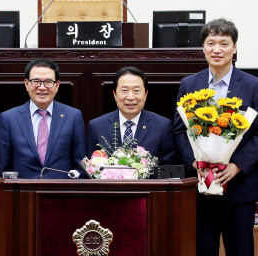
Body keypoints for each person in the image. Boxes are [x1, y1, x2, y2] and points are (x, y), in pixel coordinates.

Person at [173, 18, 258, 256]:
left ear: (235, 47)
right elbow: (180, 130)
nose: (217, 49)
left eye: (224, 43)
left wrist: (238, 166)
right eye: (211, 43)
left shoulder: (253, 85)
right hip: (200, 190)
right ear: (203, 47)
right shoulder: (189, 84)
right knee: (202, 250)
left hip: (239, 190)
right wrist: (194, 162)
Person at [0, 58, 86, 178]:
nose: (42, 87)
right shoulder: (8, 119)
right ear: (27, 84)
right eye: (36, 81)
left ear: (57, 85)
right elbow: (1, 168)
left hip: (61, 192)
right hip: (23, 193)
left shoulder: (73, 116)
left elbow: (81, 165)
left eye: (48, 82)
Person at [87, 66, 177, 165]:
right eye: (124, 90)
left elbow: (168, 168)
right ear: (115, 94)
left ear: (145, 94)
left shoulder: (162, 126)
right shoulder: (97, 126)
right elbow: (90, 167)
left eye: (136, 91)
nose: (130, 97)